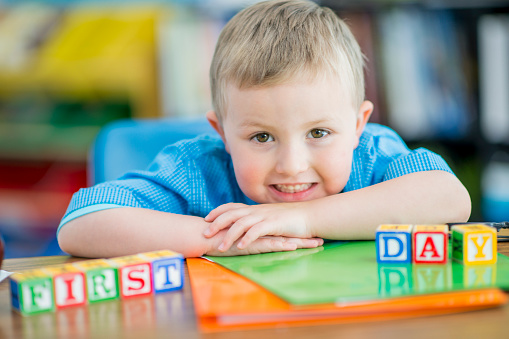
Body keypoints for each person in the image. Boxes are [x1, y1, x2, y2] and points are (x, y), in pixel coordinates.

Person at [57, 0, 470, 258]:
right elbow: (82, 221)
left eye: (319, 133)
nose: (292, 166)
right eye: (261, 137)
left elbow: (450, 199)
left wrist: (302, 219)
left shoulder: (371, 155)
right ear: (222, 134)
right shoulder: (201, 171)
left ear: (359, 124)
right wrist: (219, 238)